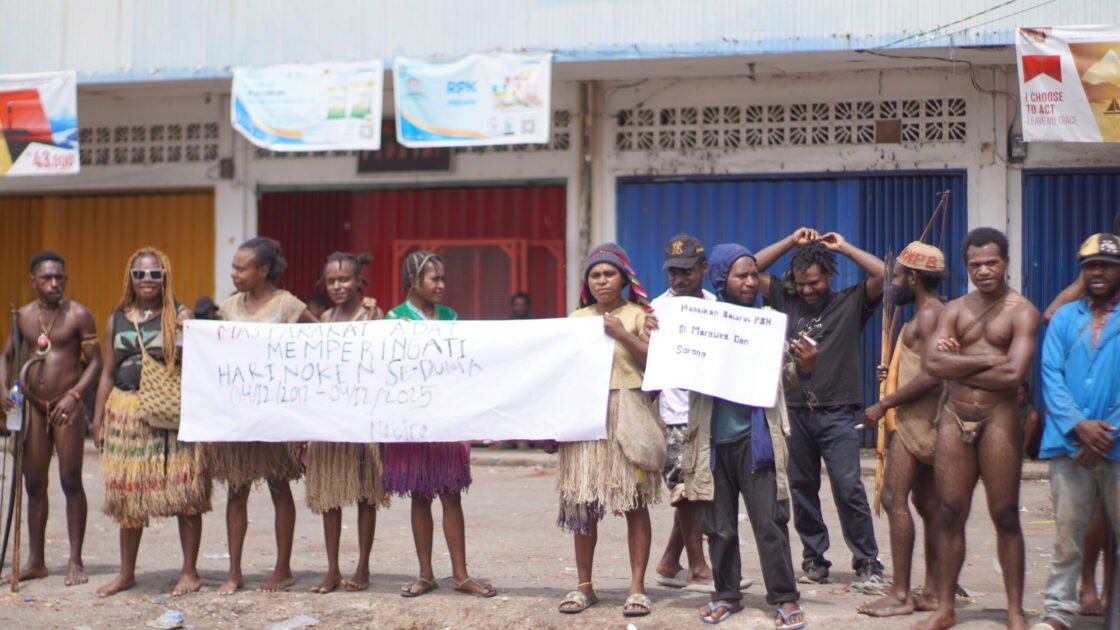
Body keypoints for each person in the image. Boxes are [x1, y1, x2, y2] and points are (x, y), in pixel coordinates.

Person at [676, 243, 807, 628]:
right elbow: (678, 363)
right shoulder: (699, 321)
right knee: (718, 526)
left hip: (757, 441)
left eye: (754, 275)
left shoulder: (768, 323)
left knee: (770, 523)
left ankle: (784, 597)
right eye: (742, 275)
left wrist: (805, 367)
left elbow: (782, 379)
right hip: (712, 443)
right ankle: (726, 594)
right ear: (722, 279)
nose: (751, 282)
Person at [916, 227, 1040, 630]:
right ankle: (945, 607)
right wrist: (989, 360)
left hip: (999, 417)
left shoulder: (1022, 311)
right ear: (966, 267)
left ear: (1006, 263)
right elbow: (933, 364)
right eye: (975, 265)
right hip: (955, 416)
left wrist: (960, 363)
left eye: (991, 263)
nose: (984, 271)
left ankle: (1015, 610)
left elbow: (1015, 374)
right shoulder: (954, 309)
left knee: (1005, 514)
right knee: (950, 510)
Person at [754, 228, 886, 587]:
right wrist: (788, 241)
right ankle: (814, 559)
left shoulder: (851, 302)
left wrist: (844, 247)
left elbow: (884, 274)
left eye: (814, 282)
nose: (807, 290)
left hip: (837, 412)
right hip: (794, 411)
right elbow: (750, 267)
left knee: (848, 487)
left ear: (829, 275)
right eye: (801, 284)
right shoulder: (784, 299)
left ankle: (867, 560)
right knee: (802, 489)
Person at [91, 248, 211, 597]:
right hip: (126, 411)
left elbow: (195, 362)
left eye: (155, 274)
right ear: (130, 278)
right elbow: (107, 372)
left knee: (185, 491)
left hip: (171, 412)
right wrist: (97, 419)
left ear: (165, 278)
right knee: (129, 496)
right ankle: (126, 574)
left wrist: (186, 327)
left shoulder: (179, 314)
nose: (147, 280)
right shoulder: (116, 318)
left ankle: (189, 572)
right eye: (140, 274)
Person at [548, 243, 659, 618]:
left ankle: (637, 588)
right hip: (585, 415)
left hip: (628, 413)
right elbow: (559, 370)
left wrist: (622, 334)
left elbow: (656, 362)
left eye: (609, 273)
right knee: (582, 504)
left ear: (623, 278)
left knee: (635, 502)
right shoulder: (576, 318)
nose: (602, 280)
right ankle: (584, 587)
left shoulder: (639, 316)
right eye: (595, 275)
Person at [204, 237, 317, 594]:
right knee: (236, 490)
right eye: (233, 267)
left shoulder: (288, 306)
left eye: (241, 268)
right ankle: (234, 573)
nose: (234, 274)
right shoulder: (228, 307)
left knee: (279, 488)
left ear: (263, 270)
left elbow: (324, 341)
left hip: (277, 416)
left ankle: (282, 570)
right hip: (239, 417)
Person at [384, 250, 495, 599]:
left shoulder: (451, 317)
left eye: (443, 278)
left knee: (451, 495)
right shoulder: (394, 319)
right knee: (420, 495)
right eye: (435, 279)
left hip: (447, 417)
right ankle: (425, 574)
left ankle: (460, 574)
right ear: (414, 281)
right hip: (413, 417)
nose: (442, 285)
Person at [1032, 233, 1120, 630]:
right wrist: (1079, 426)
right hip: (1069, 445)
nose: (1097, 272)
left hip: (1116, 445)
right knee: (1068, 535)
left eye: (1106, 266)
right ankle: (1058, 612)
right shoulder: (1066, 317)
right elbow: (1050, 374)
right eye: (1090, 267)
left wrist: (1109, 431)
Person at [855, 242, 947, 617]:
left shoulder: (929, 317)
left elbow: (932, 374)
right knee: (927, 505)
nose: (892, 284)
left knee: (895, 498)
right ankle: (934, 592)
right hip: (924, 420)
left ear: (913, 278)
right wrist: (891, 372)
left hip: (917, 423)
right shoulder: (933, 313)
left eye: (897, 277)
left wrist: (885, 403)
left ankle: (900, 593)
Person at [0, 251, 101, 586]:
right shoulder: (23, 316)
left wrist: (75, 396)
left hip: (66, 407)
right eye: (47, 278)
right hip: (32, 407)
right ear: (33, 281)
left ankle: (75, 561)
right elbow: (6, 356)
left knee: (70, 481)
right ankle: (36, 561)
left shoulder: (79, 315)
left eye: (60, 277)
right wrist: (3, 387)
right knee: (33, 484)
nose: (54, 283)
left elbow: (96, 363)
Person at [305, 252, 389, 594]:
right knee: (331, 494)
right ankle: (332, 570)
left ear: (358, 281)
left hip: (363, 418)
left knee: (366, 494)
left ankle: (363, 567)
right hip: (329, 419)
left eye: (344, 280)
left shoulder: (372, 315)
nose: (337, 286)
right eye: (331, 281)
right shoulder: (324, 318)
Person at [646, 233, 717, 592]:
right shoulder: (656, 311)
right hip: (675, 416)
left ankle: (669, 563)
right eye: (673, 271)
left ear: (703, 268)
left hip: (710, 414)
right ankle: (699, 569)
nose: (679, 278)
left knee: (696, 491)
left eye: (686, 271)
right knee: (686, 493)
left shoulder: (716, 305)